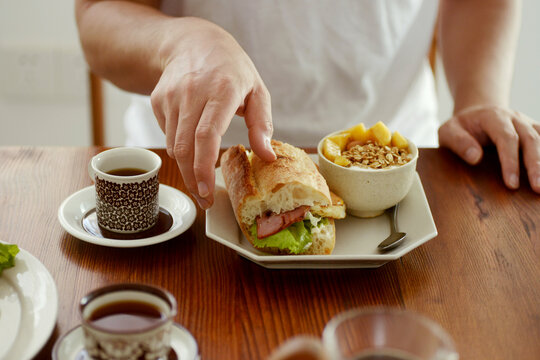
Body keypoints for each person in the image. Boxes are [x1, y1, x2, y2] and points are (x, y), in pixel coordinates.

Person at [75, 0, 540, 210]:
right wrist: (180, 42)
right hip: (186, 173)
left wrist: (479, 96)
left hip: (402, 185)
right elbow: (99, 14)